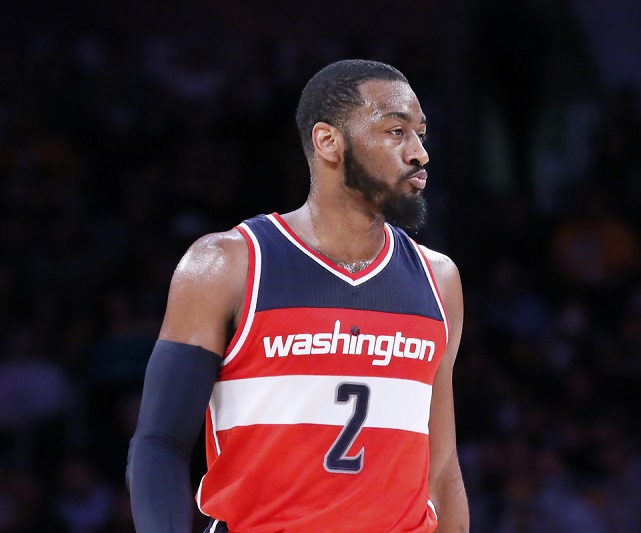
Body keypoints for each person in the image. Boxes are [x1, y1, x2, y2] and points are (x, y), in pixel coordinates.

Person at [126, 59, 469, 532]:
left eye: (421, 135)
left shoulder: (438, 279)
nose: (419, 154)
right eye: (396, 132)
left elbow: (443, 468)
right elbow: (160, 443)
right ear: (328, 141)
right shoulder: (228, 265)